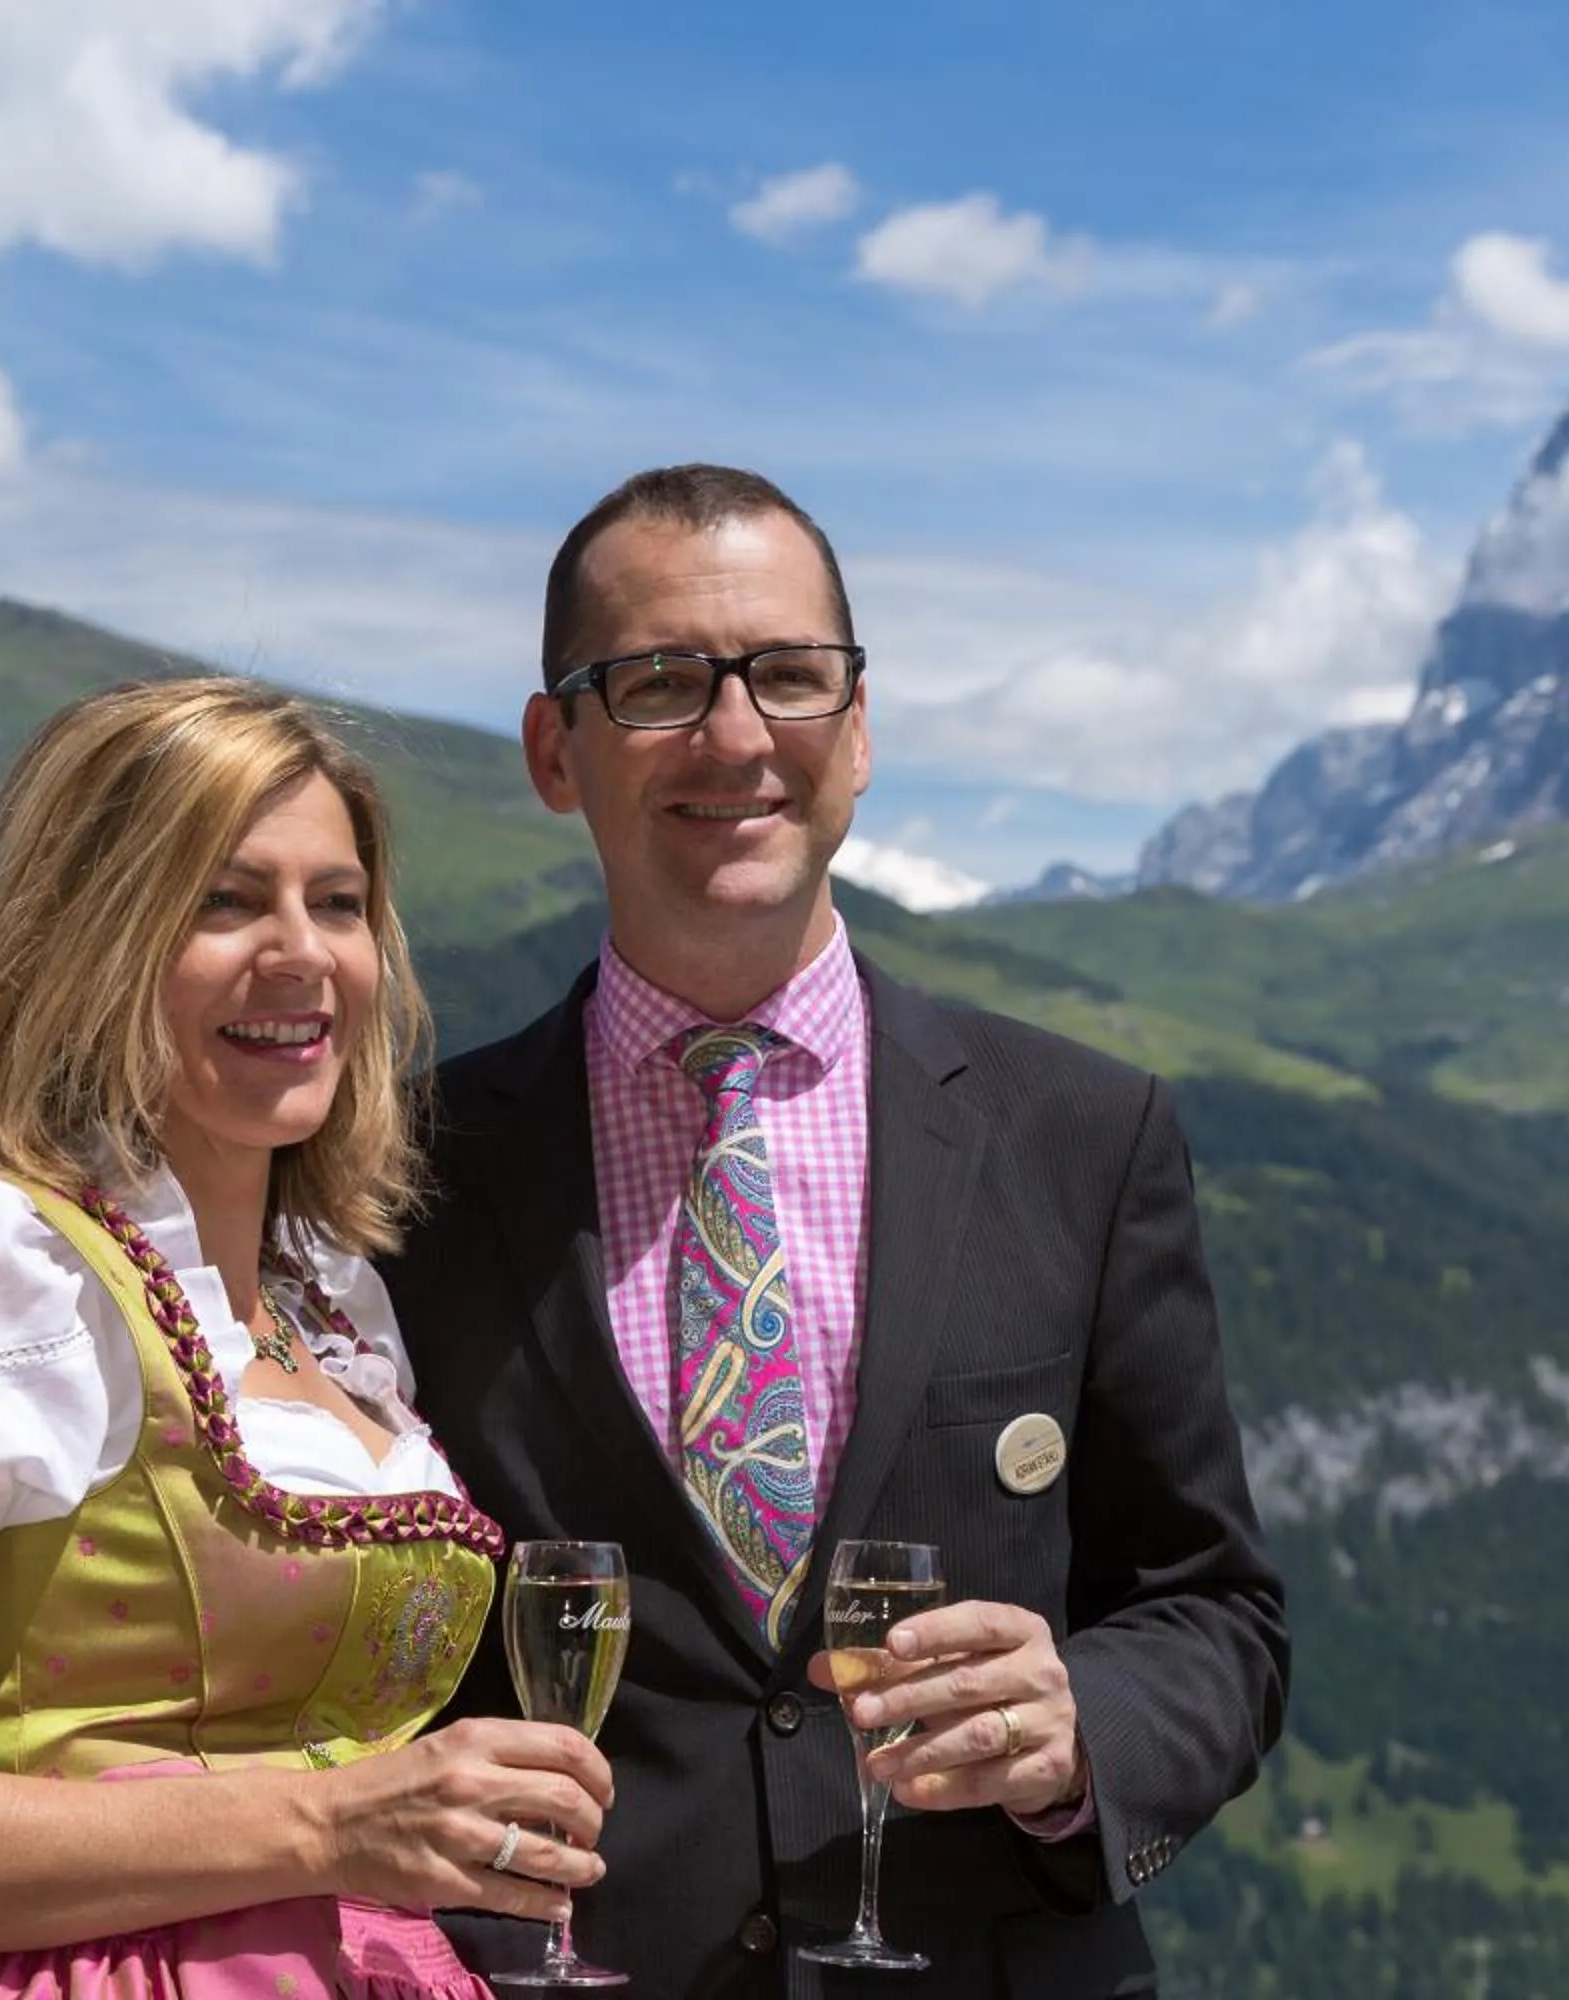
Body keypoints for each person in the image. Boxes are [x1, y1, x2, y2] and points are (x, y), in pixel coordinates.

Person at [382, 465, 1288, 1997]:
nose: (738, 736)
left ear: (859, 731)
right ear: (556, 749)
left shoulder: (1083, 1134)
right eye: (661, 681)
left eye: (791, 677)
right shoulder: (407, 1172)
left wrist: (1079, 1729)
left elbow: (1215, 1612)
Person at [0, 676, 615, 2000]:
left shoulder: (329, 1300)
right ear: (88, 940)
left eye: (337, 903)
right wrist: (334, 1826)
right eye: (223, 902)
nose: (301, 952)